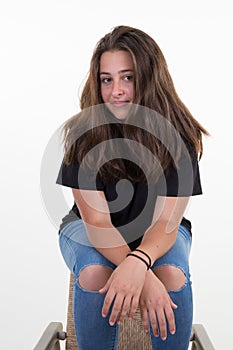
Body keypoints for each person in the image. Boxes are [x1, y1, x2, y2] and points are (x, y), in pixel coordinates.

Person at [56, 25, 209, 350]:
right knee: (96, 273)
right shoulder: (84, 133)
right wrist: (145, 278)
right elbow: (97, 222)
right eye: (106, 79)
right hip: (88, 227)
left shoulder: (177, 137)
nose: (116, 90)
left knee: (172, 277)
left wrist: (141, 264)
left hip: (161, 229)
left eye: (128, 77)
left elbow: (167, 222)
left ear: (149, 78)